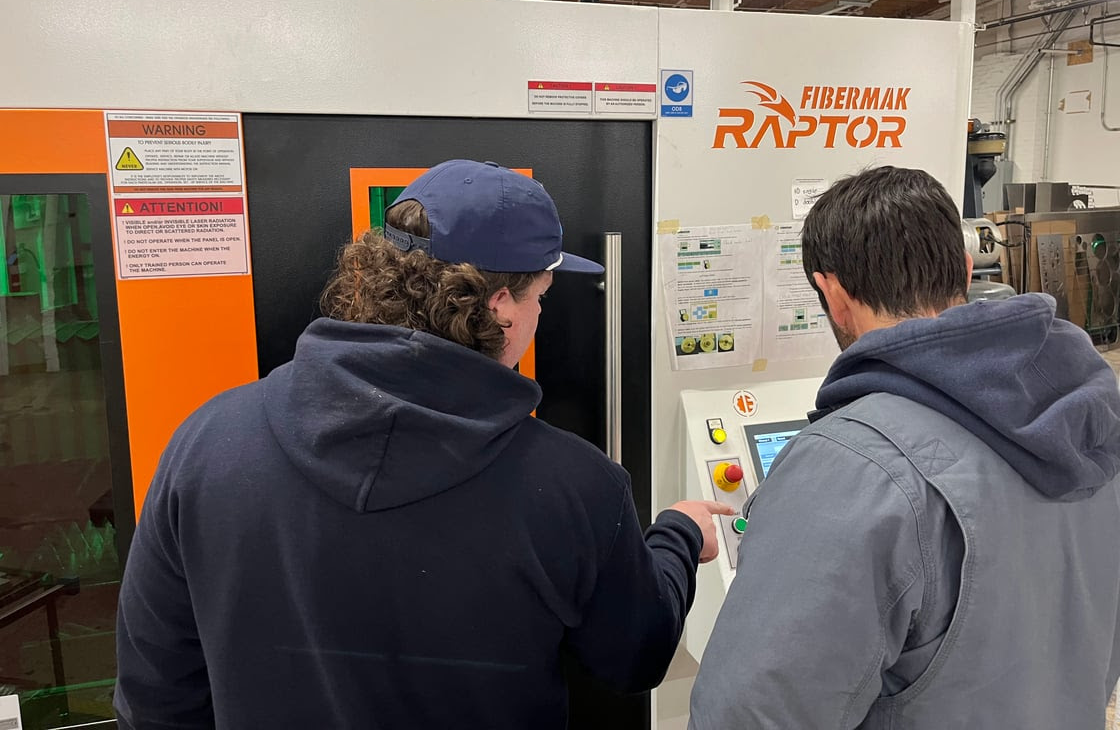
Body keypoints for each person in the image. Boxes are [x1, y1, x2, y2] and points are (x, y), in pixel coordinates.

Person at [115, 159, 732, 730]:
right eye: (540, 297)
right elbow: (636, 655)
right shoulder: (575, 485)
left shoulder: (207, 444)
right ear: (500, 307)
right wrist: (678, 534)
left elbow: (155, 694)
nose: (540, 316)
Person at [690, 166, 1120, 729]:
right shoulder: (1092, 424)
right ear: (965, 268)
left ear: (832, 294)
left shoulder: (850, 465)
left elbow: (750, 715)